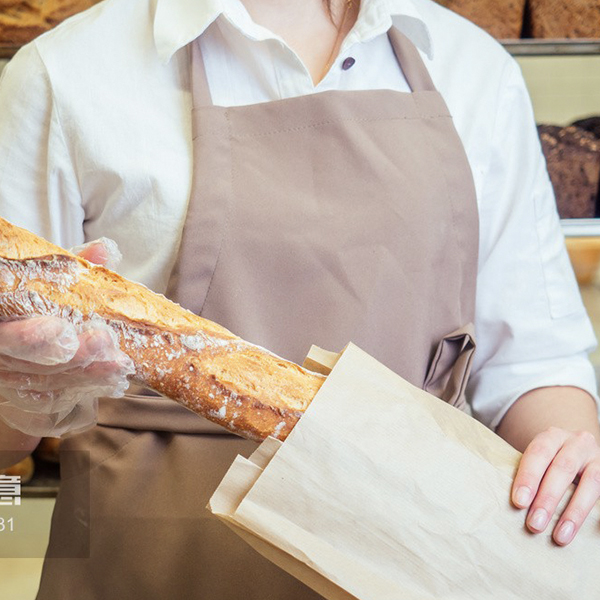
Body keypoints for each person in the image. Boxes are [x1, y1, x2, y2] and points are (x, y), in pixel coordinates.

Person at [0, 0, 600, 597]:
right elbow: (9, 445)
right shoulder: (64, 74)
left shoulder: (472, 67)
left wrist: (569, 457)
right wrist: (17, 392)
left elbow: (529, 363)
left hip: (417, 553)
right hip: (146, 563)